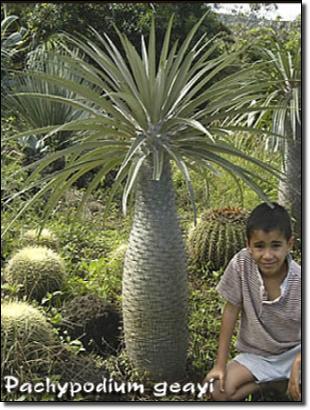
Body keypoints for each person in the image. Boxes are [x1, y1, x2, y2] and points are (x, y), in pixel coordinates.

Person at [204, 202, 301, 401]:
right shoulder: (241, 264)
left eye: (276, 246)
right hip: (256, 355)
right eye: (259, 246)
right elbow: (230, 311)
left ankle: (287, 380)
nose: (267, 255)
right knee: (214, 389)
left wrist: (299, 361)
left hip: (295, 353)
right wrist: (220, 365)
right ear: (248, 245)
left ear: (289, 244)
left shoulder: (300, 280)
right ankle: (267, 383)